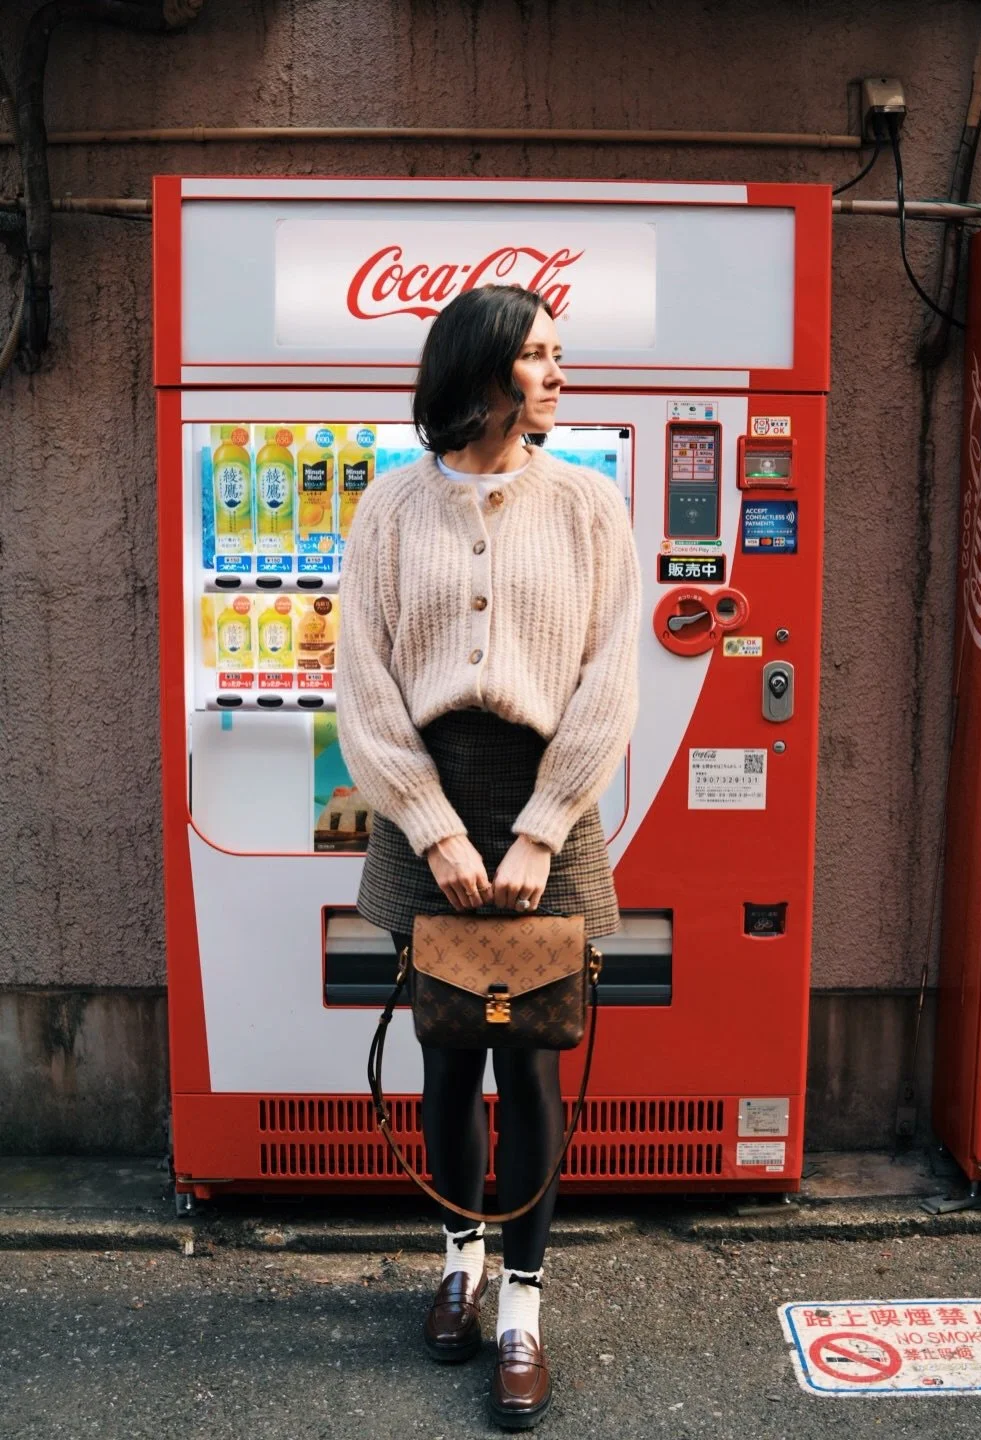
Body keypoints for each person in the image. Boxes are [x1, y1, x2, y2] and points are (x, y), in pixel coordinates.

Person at [336, 284, 641, 1429]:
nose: (558, 374)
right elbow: (362, 688)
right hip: (432, 818)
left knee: (534, 1064)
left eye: (562, 354)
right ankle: (455, 1260)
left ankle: (524, 1305)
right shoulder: (389, 510)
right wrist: (437, 830)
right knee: (448, 1058)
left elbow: (611, 680)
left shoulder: (587, 506)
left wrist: (540, 829)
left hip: (541, 815)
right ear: (480, 371)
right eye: (538, 356)